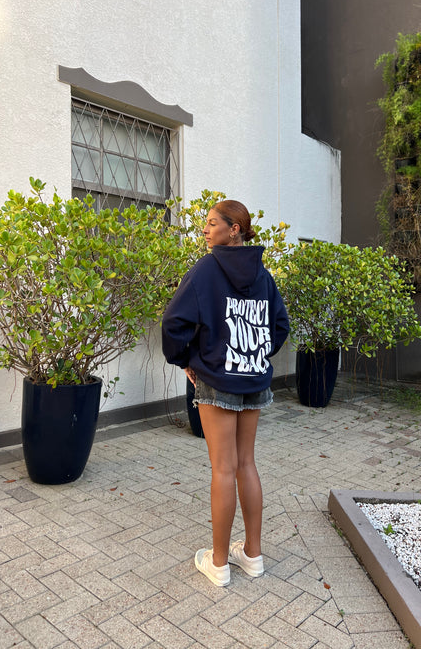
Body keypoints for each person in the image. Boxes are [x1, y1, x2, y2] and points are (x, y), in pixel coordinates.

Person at [162, 200, 289, 586]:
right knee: (246, 464)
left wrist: (185, 359)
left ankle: (218, 563)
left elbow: (174, 321)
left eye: (212, 223)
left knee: (223, 468)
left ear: (234, 229)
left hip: (217, 378)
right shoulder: (263, 275)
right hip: (253, 379)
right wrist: (254, 355)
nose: (205, 230)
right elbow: (280, 325)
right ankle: (252, 555)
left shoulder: (206, 269)